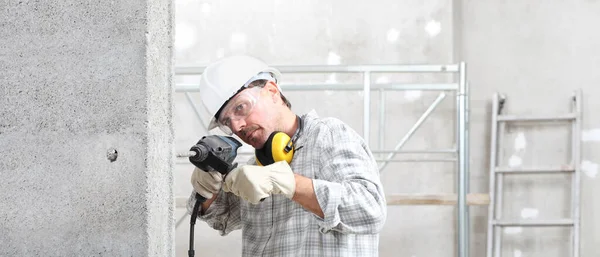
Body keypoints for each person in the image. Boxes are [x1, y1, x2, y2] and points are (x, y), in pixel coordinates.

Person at [187, 55, 387, 257]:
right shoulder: (255, 169)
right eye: (227, 122)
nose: (237, 126)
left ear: (272, 91)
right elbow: (223, 218)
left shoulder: (327, 135)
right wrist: (208, 186)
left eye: (240, 107)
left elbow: (370, 210)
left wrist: (288, 183)